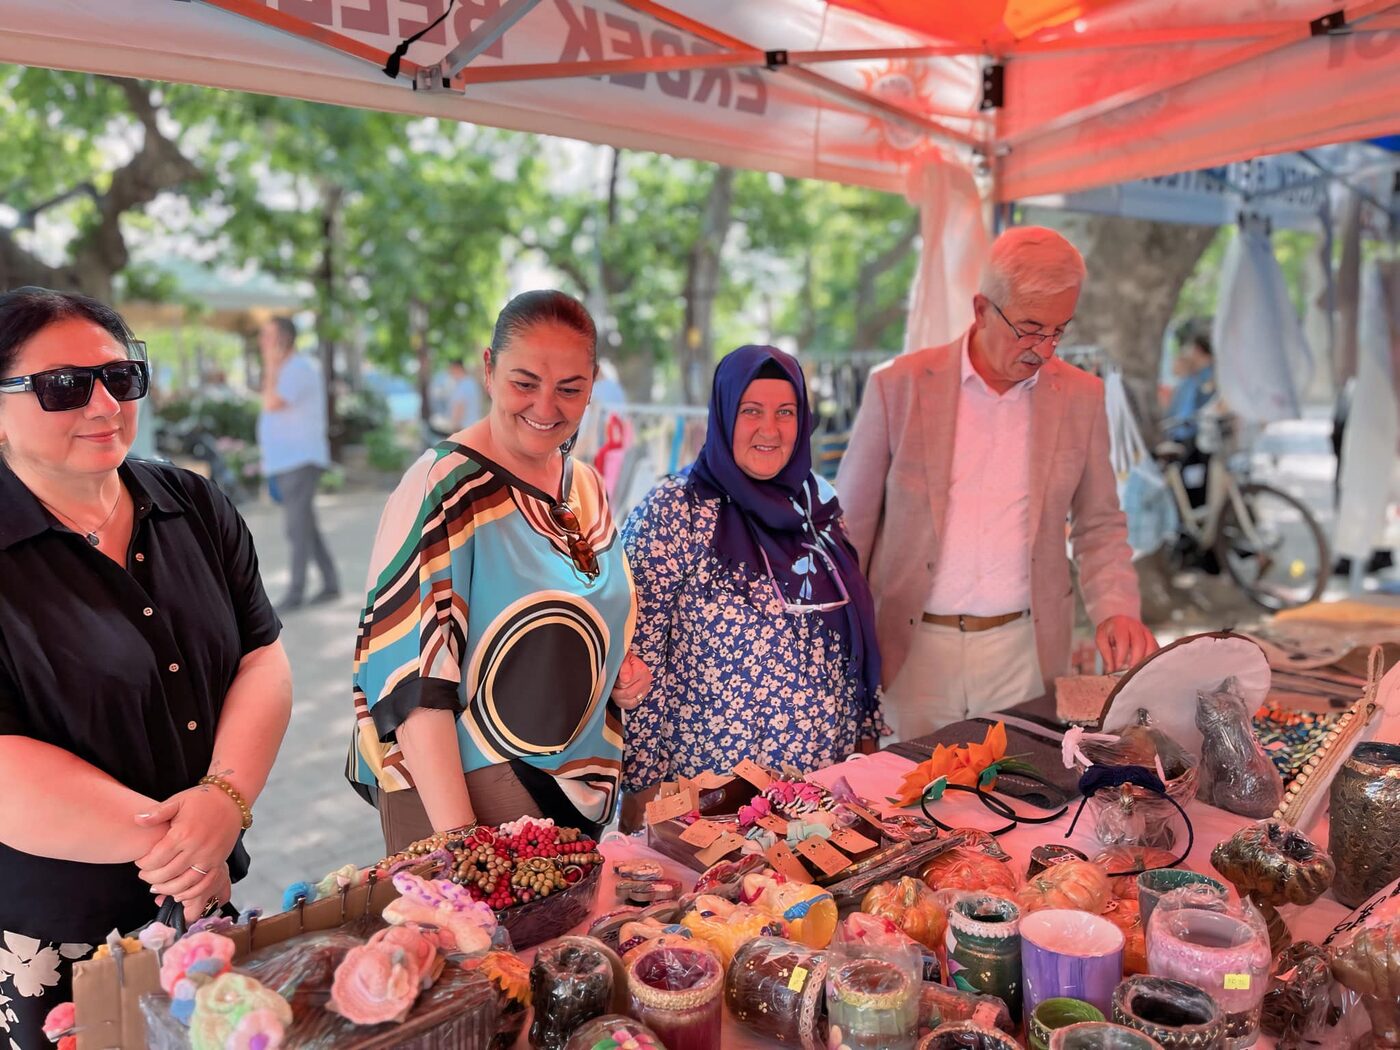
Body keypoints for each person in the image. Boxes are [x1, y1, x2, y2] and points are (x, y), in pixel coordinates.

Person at [0, 287, 291, 1045]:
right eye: (62, 386)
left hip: (201, 895)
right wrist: (183, 845)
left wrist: (225, 799)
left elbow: (261, 656)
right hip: (49, 930)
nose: (103, 404)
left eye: (120, 377)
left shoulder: (191, 502)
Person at [348, 290, 651, 854]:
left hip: (573, 791)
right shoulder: (445, 489)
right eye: (524, 382)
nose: (546, 406)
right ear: (489, 370)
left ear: (593, 385)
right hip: (470, 799)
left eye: (570, 388)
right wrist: (463, 846)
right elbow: (413, 688)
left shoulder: (584, 484)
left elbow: (584, 613)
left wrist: (619, 672)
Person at [837, 227, 1156, 740]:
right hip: (912, 648)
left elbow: (1098, 524)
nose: (1045, 350)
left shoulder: (1081, 397)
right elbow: (850, 533)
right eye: (1030, 328)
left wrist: (1117, 610)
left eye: (1059, 331)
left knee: (1023, 801)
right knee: (907, 806)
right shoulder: (898, 387)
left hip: (1022, 649)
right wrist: (847, 651)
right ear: (982, 308)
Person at [620, 345, 882, 824]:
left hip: (821, 800)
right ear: (723, 415)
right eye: (751, 411)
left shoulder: (818, 510)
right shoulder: (676, 512)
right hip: (713, 805)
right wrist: (643, 796)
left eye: (786, 412)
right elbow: (637, 664)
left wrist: (865, 740)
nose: (770, 429)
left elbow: (855, 642)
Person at [257, 316, 340, 611]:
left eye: (267, 336)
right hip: (288, 461)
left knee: (296, 528)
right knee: (305, 526)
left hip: (300, 461)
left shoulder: (298, 369)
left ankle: (296, 591)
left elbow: (270, 403)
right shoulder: (287, 369)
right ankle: (331, 583)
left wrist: (270, 364)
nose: (261, 342)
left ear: (283, 339)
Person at [1163, 334, 1216, 445]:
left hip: (1191, 436)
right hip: (1178, 432)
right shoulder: (1193, 376)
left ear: (1197, 350)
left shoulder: (1208, 376)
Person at [446, 358, 483, 432]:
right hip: (474, 428)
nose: (450, 374)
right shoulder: (472, 383)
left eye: (451, 370)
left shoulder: (462, 386)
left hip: (463, 429)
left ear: (457, 368)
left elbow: (459, 408)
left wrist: (453, 429)